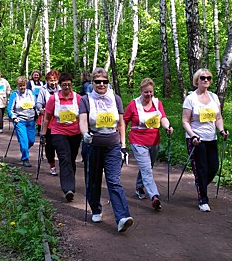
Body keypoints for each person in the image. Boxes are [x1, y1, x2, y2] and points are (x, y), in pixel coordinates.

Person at [79, 67, 134, 233]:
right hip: (93, 145)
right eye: (98, 81)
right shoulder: (85, 99)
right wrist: (85, 133)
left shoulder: (115, 99)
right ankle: (96, 209)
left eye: (104, 81)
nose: (101, 84)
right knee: (93, 179)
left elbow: (121, 123)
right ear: (92, 83)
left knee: (114, 180)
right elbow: (82, 121)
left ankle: (122, 217)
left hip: (113, 144)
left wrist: (123, 145)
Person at [181, 69, 229, 212]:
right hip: (196, 139)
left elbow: (218, 118)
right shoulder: (191, 99)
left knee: (213, 167)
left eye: (208, 78)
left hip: (211, 138)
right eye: (203, 78)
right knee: (201, 168)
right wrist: (192, 135)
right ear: (197, 80)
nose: (206, 80)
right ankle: (203, 199)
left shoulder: (214, 97)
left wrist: (221, 130)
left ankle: (200, 184)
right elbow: (185, 121)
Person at [124, 78, 174, 211]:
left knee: (147, 166)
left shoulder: (157, 103)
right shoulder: (133, 105)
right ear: (141, 91)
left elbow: (163, 118)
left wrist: (167, 127)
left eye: (151, 92)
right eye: (146, 92)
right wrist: (121, 139)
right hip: (138, 141)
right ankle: (154, 196)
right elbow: (124, 121)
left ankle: (139, 187)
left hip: (154, 141)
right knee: (146, 169)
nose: (149, 95)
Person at [41, 73, 82, 202]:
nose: (66, 87)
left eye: (69, 85)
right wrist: (43, 133)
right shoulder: (54, 99)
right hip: (58, 132)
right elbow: (47, 118)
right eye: (64, 85)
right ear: (60, 85)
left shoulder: (78, 98)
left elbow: (82, 116)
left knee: (71, 158)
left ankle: (70, 182)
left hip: (75, 133)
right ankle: (68, 189)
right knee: (64, 158)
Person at [7, 76, 37, 167]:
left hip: (31, 121)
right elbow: (9, 109)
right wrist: (13, 117)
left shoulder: (31, 93)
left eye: (23, 85)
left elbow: (36, 106)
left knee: (31, 141)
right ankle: (25, 158)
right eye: (20, 86)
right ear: (17, 86)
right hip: (20, 121)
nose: (22, 88)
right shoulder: (14, 95)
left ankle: (25, 150)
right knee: (24, 141)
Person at [36, 70, 61, 176]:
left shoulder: (61, 89)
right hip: (48, 119)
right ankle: (52, 165)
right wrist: (40, 109)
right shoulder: (43, 90)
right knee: (49, 145)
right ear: (47, 80)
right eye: (51, 81)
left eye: (55, 80)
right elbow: (38, 103)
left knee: (60, 144)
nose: (53, 83)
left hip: (59, 120)